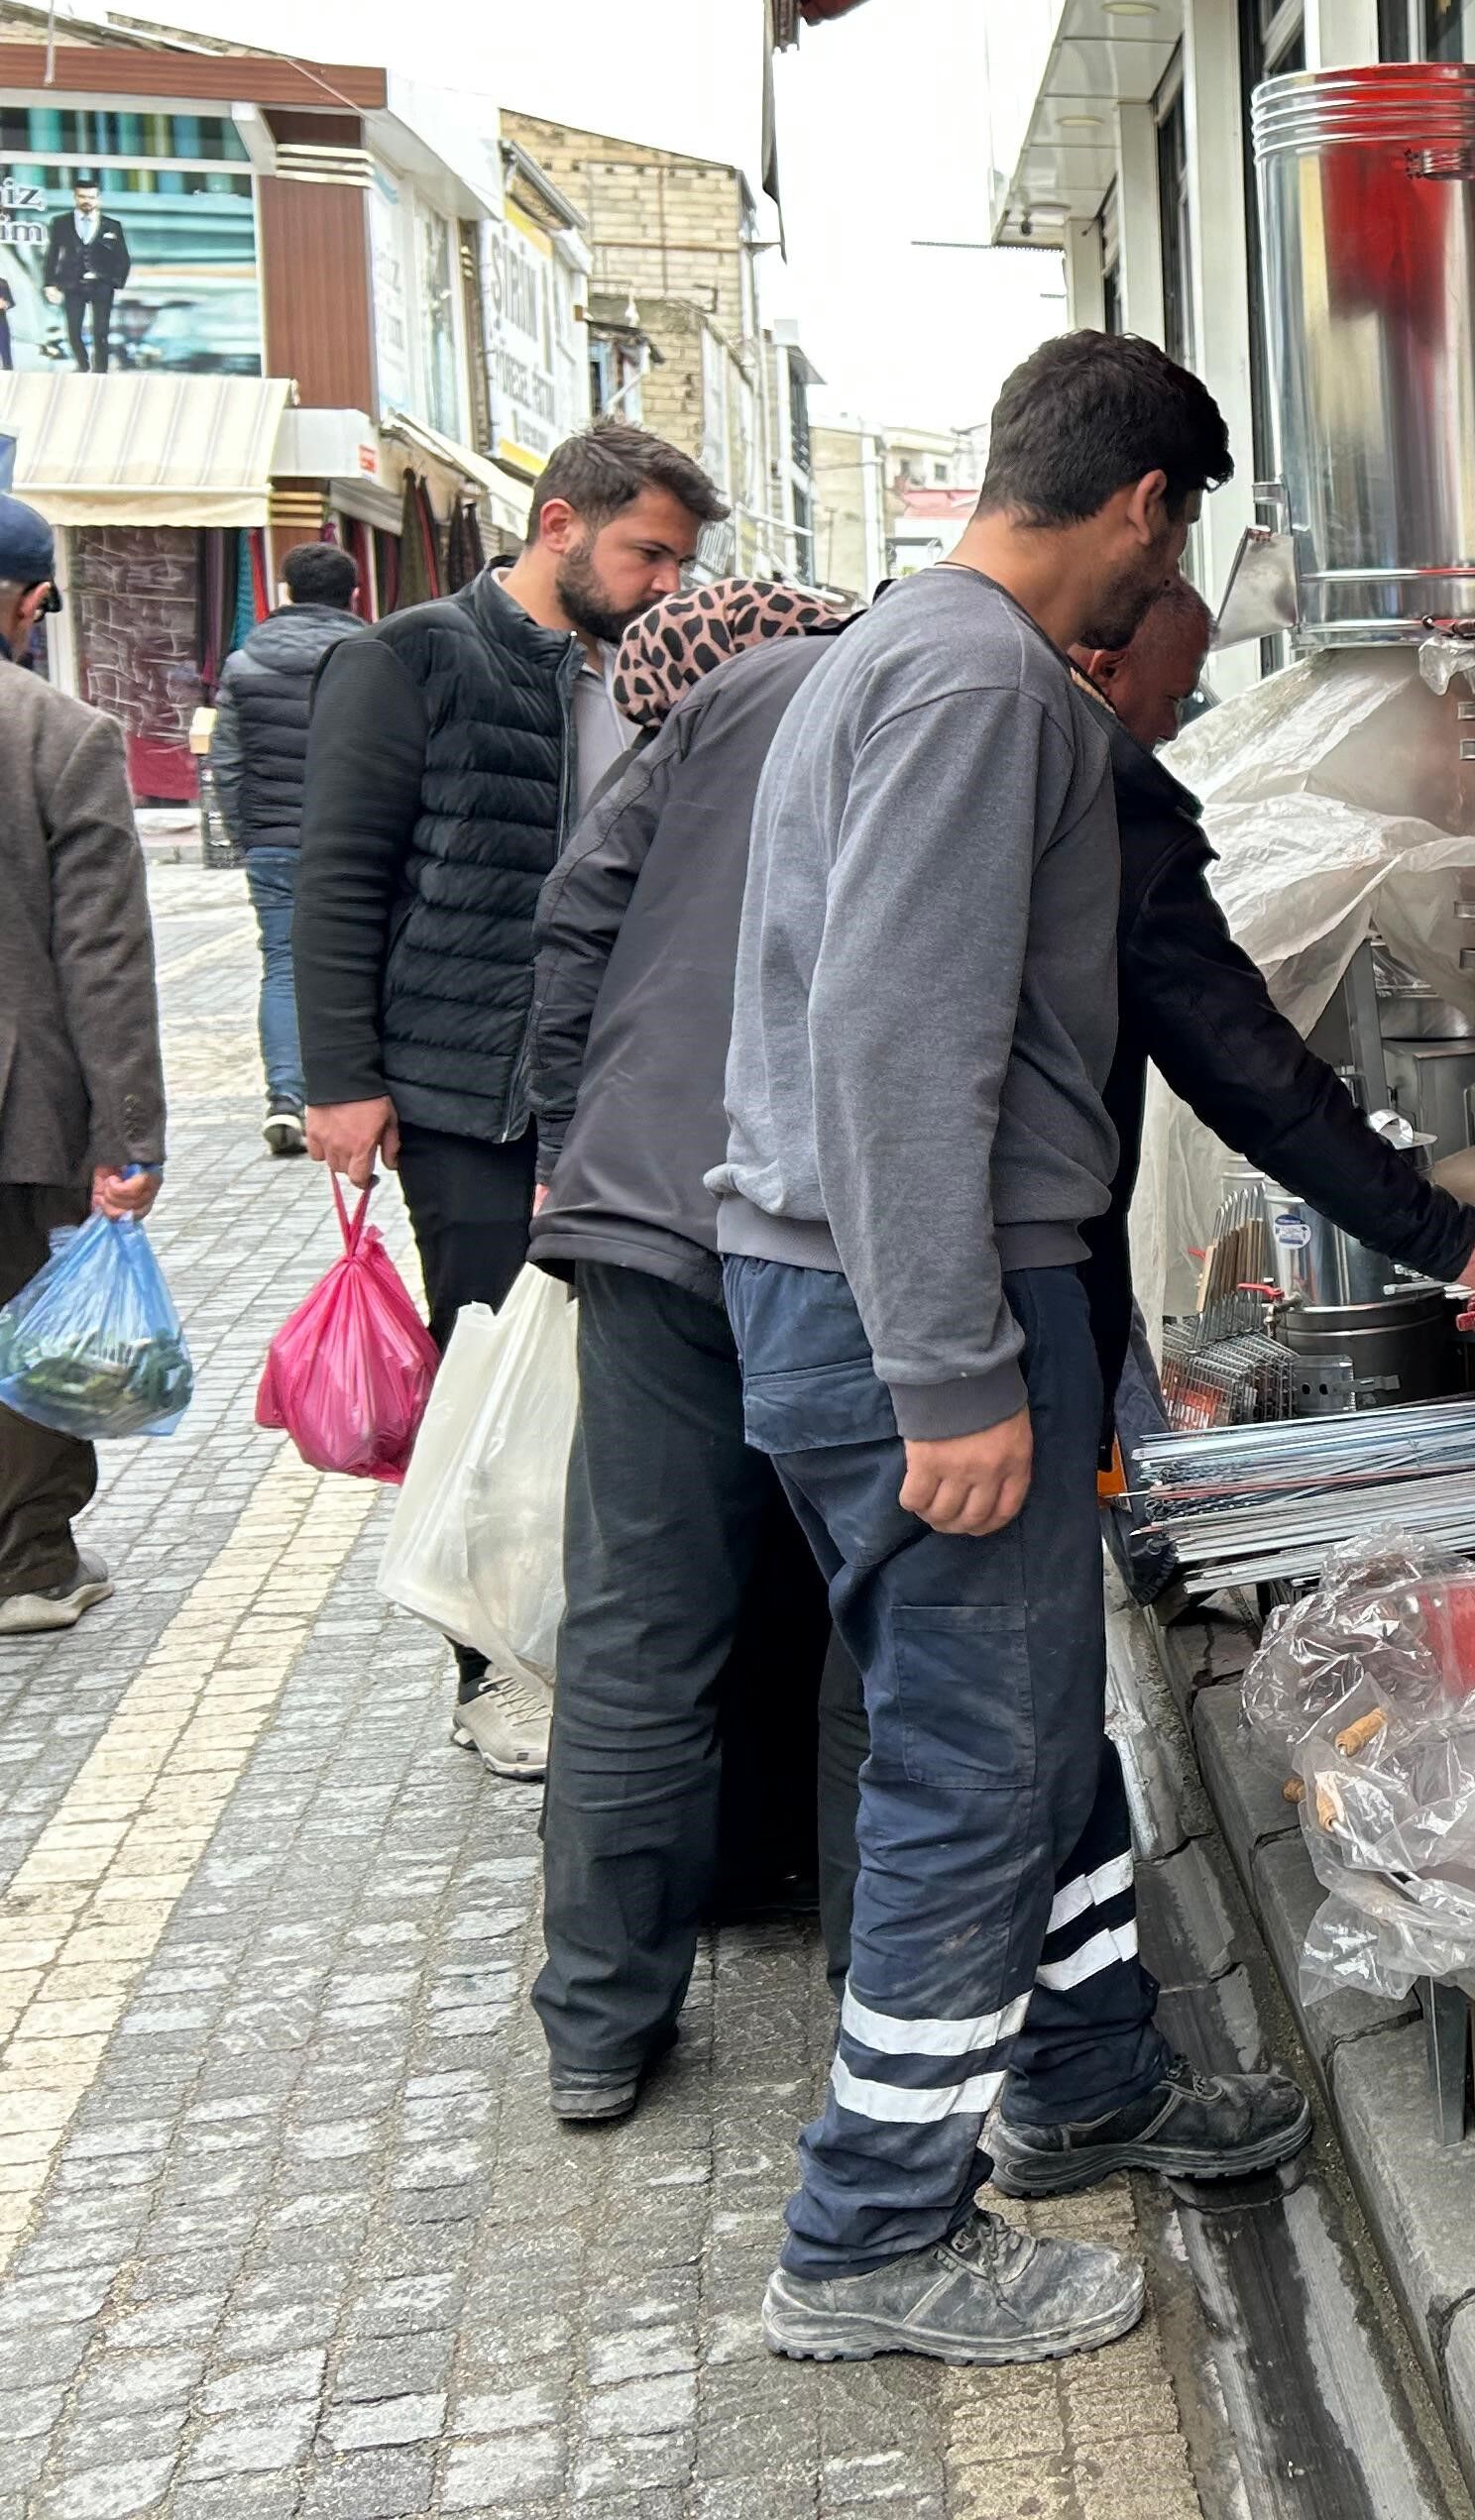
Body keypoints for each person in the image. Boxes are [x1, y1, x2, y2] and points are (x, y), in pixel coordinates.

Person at [719, 334, 1305, 2366]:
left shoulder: (900, 652)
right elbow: (898, 1049)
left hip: (881, 1291)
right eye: (1186, 540)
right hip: (923, 1305)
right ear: (1147, 506)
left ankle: (1088, 2074)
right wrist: (955, 1373)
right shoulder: (979, 686)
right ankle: (871, 2239)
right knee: (977, 1771)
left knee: (1031, 1729)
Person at [296, 419, 718, 1776]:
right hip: (463, 1093)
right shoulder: (409, 656)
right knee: (486, 1371)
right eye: (647, 550)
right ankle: (491, 1668)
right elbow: (338, 878)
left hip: (611, 1094)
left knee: (603, 1386)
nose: (666, 581)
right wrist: (342, 1082)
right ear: (557, 525)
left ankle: (591, 1643)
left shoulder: (636, 675)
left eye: (681, 559)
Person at [525, 580, 863, 2125]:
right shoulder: (937, 696)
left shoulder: (714, 711)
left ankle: (600, 2025)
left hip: (649, 1210)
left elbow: (579, 910)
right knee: (882, 1620)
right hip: (838, 1229)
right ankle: (887, 1991)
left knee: (638, 1628)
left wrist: (569, 1139)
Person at [1064, 581, 1475, 1414]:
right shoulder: (1112, 809)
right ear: (1107, 670)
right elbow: (1245, 1065)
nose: (1178, 725)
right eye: (1175, 695)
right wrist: (1437, 1231)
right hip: (1023, 1288)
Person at [0, 493, 164, 1635]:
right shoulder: (57, 734)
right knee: (26, 1319)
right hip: (22, 1102)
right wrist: (129, 1137)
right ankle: (27, 1562)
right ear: (30, 600)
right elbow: (101, 955)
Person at [206, 540, 370, 1158]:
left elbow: (228, 761)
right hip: (357, 844)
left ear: (286, 592)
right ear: (351, 595)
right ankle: (352, 1091)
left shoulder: (246, 665)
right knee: (361, 963)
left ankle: (285, 1099)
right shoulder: (372, 656)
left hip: (275, 843)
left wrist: (249, 835)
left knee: (282, 965)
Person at [45, 178, 129, 375]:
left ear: (98, 199)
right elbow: (53, 254)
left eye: (91, 197)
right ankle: (82, 365)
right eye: (82, 196)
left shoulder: (112, 226)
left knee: (100, 332)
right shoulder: (61, 223)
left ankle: (101, 370)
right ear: (75, 196)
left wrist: (116, 281)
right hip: (72, 283)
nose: (86, 201)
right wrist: (50, 283)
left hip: (101, 285)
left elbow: (122, 257)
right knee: (73, 331)